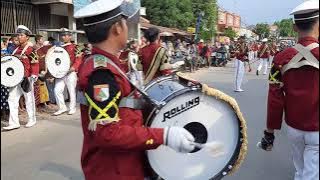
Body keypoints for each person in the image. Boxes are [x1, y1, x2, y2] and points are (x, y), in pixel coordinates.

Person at [73, 1, 196, 179]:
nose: (127, 28)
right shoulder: (102, 74)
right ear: (116, 28)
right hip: (114, 171)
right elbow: (107, 134)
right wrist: (164, 136)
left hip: (123, 164)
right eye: (125, 22)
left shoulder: (109, 64)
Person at [258, 1, 319, 180]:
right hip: (317, 129)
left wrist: (269, 133)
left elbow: (275, 99)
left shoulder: (280, 59)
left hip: (293, 129)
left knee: (300, 171)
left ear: (294, 27)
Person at [3, 25, 39, 130]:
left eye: (21, 35)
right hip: (15, 79)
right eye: (18, 34)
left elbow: (35, 63)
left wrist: (34, 76)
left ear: (27, 37)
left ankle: (32, 119)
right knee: (12, 99)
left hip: (26, 78)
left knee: (29, 99)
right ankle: (14, 122)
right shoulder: (16, 49)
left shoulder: (30, 49)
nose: (19, 37)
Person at [53, 28, 83, 116]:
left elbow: (78, 59)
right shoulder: (59, 48)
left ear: (70, 36)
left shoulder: (75, 47)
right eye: (62, 35)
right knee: (57, 90)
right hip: (61, 73)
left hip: (70, 72)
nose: (63, 37)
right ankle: (62, 107)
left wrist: (73, 68)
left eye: (65, 35)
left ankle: (72, 108)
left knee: (71, 91)